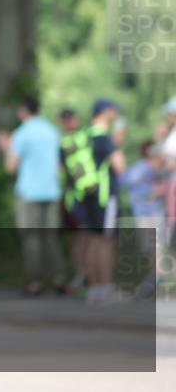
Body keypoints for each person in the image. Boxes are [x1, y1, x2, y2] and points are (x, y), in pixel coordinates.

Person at [0, 96, 64, 296]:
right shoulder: (52, 131)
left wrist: (6, 147)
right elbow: (58, 165)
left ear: (23, 110)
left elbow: (10, 167)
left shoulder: (21, 134)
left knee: (31, 237)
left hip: (29, 191)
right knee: (51, 236)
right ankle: (59, 278)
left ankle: (35, 281)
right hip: (51, 190)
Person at [79, 98, 127, 304]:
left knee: (92, 241)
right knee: (107, 242)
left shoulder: (84, 136)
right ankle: (107, 287)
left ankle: (94, 288)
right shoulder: (105, 138)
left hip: (87, 196)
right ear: (105, 112)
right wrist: (118, 144)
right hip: (106, 197)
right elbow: (120, 166)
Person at [119, 141, 170, 298]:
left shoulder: (163, 170)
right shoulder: (141, 169)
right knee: (151, 250)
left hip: (156, 214)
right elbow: (124, 180)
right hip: (145, 214)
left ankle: (159, 283)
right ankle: (156, 281)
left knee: (157, 249)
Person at [58, 108, 88, 294]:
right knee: (76, 238)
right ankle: (80, 274)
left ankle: (87, 275)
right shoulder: (63, 143)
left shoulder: (84, 138)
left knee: (87, 237)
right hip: (71, 196)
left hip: (85, 196)